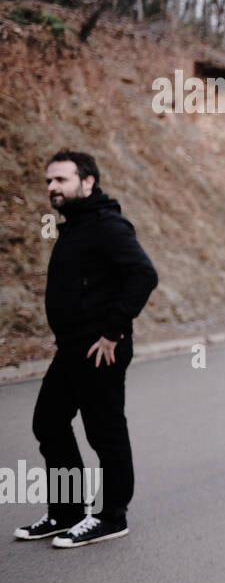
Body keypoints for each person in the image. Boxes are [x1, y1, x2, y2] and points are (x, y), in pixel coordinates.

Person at [16, 151, 158, 547]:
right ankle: (67, 511)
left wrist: (112, 332)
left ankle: (113, 516)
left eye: (60, 180)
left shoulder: (107, 225)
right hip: (73, 347)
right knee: (48, 423)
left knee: (105, 432)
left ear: (88, 182)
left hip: (101, 348)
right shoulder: (76, 225)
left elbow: (144, 274)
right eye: (49, 181)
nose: (51, 188)